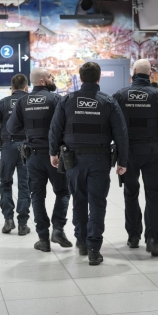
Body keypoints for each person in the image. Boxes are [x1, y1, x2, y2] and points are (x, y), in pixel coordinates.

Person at [49, 62, 128, 266]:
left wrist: (52, 153)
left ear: (81, 78)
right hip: (100, 160)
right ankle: (94, 248)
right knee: (97, 202)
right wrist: (123, 161)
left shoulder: (67, 100)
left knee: (79, 200)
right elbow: (121, 133)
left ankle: (82, 241)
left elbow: (55, 129)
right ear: (99, 78)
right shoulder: (108, 102)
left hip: (73, 160)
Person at [113, 59, 158, 256]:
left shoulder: (120, 95)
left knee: (130, 193)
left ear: (133, 74)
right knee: (153, 195)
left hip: (127, 152)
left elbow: (112, 125)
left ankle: (133, 236)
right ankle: (152, 239)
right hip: (151, 151)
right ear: (150, 75)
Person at [7, 68, 72, 253]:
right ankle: (58, 228)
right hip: (55, 156)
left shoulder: (22, 102)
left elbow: (12, 128)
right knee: (63, 192)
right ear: (43, 81)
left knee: (37, 196)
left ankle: (43, 239)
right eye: (51, 76)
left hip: (33, 155)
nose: (53, 79)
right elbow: (65, 125)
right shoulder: (56, 99)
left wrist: (29, 133)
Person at [0, 74, 30, 235]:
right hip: (28, 147)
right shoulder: (31, 101)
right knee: (25, 185)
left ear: (11, 88)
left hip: (8, 147)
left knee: (5, 183)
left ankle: (8, 220)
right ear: (26, 87)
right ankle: (23, 224)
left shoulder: (3, 103)